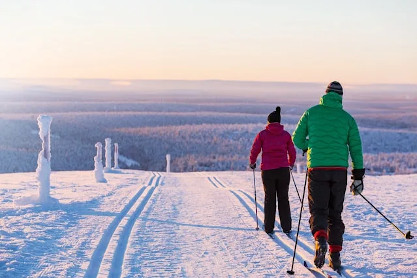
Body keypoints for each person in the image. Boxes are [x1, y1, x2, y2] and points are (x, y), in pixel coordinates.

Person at [292, 81, 365, 271]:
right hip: (339, 171)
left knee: (318, 211)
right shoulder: (347, 119)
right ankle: (335, 256)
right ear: (340, 97)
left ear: (325, 95)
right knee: (335, 214)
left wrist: (309, 146)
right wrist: (358, 175)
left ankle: (320, 240)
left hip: (317, 169)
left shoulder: (311, 112)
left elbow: (297, 138)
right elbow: (356, 148)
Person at [249, 106, 296, 236]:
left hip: (268, 171)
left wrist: (252, 162)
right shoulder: (286, 135)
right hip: (283, 170)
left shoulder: (262, 134)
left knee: (269, 198)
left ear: (269, 122)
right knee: (283, 198)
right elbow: (292, 151)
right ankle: (286, 227)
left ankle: (269, 227)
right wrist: (290, 164)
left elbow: (255, 149)